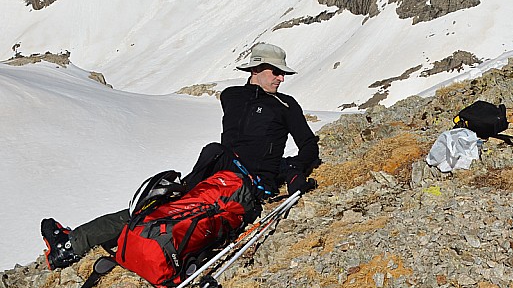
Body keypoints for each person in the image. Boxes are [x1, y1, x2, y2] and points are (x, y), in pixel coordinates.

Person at [41, 43, 320, 270]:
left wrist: (294, 169)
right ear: (256, 69)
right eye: (276, 72)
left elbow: (308, 144)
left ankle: (70, 245)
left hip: (240, 185)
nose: (281, 78)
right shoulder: (232, 96)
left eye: (282, 74)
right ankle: (73, 243)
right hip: (215, 173)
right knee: (156, 203)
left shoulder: (285, 105)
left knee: (162, 206)